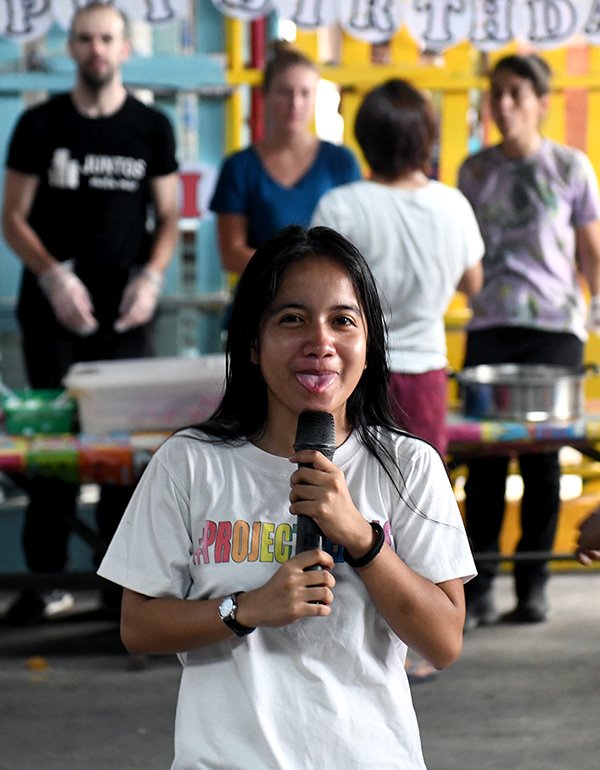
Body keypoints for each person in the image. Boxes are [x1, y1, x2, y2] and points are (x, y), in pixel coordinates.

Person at [98, 225, 476, 769]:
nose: (320, 342)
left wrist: (362, 540)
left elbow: (443, 642)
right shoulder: (189, 463)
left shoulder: (409, 466)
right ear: (253, 343)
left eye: (342, 321)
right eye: (292, 319)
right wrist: (246, 609)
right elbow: (138, 626)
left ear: (368, 345)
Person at [1, 2, 179, 624]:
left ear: (124, 48)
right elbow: (12, 216)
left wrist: (152, 277)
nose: (96, 49)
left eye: (106, 38)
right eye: (84, 39)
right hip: (54, 315)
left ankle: (117, 585)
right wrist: (52, 276)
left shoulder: (151, 127)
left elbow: (169, 216)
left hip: (125, 315)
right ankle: (45, 580)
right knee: (51, 447)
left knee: (124, 454)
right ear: (70, 48)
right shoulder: (39, 124)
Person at [457, 54, 600, 627]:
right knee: (484, 465)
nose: (504, 104)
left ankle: (533, 586)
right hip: (490, 326)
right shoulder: (473, 171)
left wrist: (596, 306)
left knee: (543, 461)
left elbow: (590, 251)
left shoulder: (570, 167)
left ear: (542, 102)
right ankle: (478, 587)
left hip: (553, 331)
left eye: (516, 92)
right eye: (496, 93)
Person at [312, 78, 483, 456]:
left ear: (365, 138)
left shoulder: (340, 206)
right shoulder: (453, 206)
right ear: (427, 138)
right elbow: (473, 282)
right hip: (426, 371)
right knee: (421, 481)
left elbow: (316, 291)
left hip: (354, 370)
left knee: (349, 481)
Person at [209, 41, 361, 277]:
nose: (295, 104)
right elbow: (231, 253)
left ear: (315, 97)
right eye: (285, 92)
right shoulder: (239, 167)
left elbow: (357, 244)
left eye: (305, 93)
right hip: (261, 296)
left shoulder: (341, 162)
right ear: (265, 94)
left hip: (328, 294)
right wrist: (297, 275)